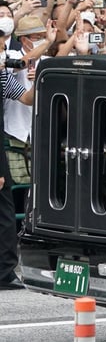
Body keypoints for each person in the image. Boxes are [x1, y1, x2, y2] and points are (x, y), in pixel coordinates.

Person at [0, 53, 34, 290]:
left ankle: (5, 270)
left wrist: (38, 80)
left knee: (5, 208)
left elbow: (25, 97)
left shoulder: (2, 75)